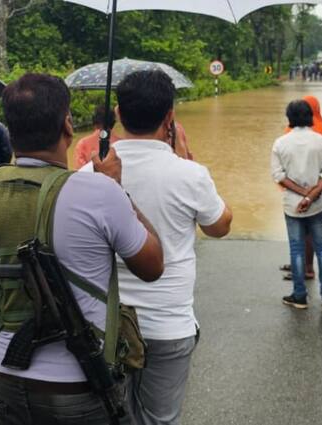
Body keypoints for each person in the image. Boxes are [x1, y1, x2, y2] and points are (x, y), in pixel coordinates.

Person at [0, 73, 165, 423]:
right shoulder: (101, 192)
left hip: (6, 383)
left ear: (9, 131)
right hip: (80, 387)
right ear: (67, 125)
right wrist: (118, 189)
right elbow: (152, 266)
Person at [81, 70, 232, 425]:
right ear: (169, 117)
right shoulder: (190, 174)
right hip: (168, 324)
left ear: (117, 113)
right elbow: (220, 226)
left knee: (110, 415)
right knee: (158, 420)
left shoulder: (89, 174)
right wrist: (185, 160)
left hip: (106, 325)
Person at [271, 99, 322, 309]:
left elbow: (278, 175)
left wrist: (301, 194)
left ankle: (299, 296)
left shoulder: (280, 143)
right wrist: (311, 196)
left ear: (289, 118)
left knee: (297, 250)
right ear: (310, 116)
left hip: (292, 205)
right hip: (317, 204)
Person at [73, 104, 120, 169]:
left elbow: (80, 172)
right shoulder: (121, 143)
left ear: (94, 122)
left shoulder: (82, 144)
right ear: (113, 122)